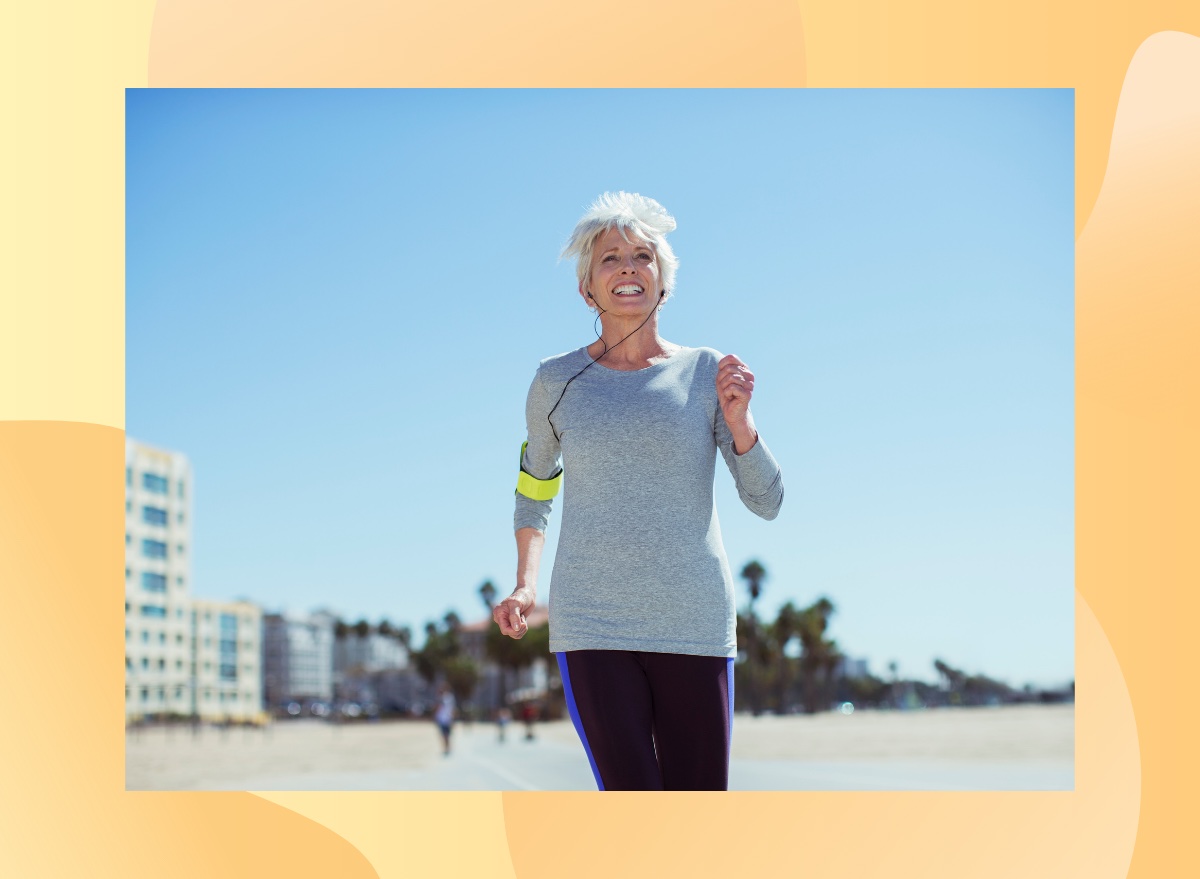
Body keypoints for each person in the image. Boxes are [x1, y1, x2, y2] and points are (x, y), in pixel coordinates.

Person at [492, 192, 784, 790]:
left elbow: (768, 501)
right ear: (587, 290)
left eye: (643, 256)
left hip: (694, 622)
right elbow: (535, 486)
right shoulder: (555, 380)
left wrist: (742, 423)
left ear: (663, 281)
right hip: (593, 623)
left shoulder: (707, 372)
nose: (628, 267)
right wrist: (525, 582)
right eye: (610, 258)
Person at [432, 686, 455, 756]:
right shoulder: (449, 698)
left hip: (444, 719)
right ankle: (447, 748)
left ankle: (447, 748)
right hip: (445, 719)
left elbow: (439, 708)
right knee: (445, 735)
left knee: (445, 735)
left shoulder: (444, 698)